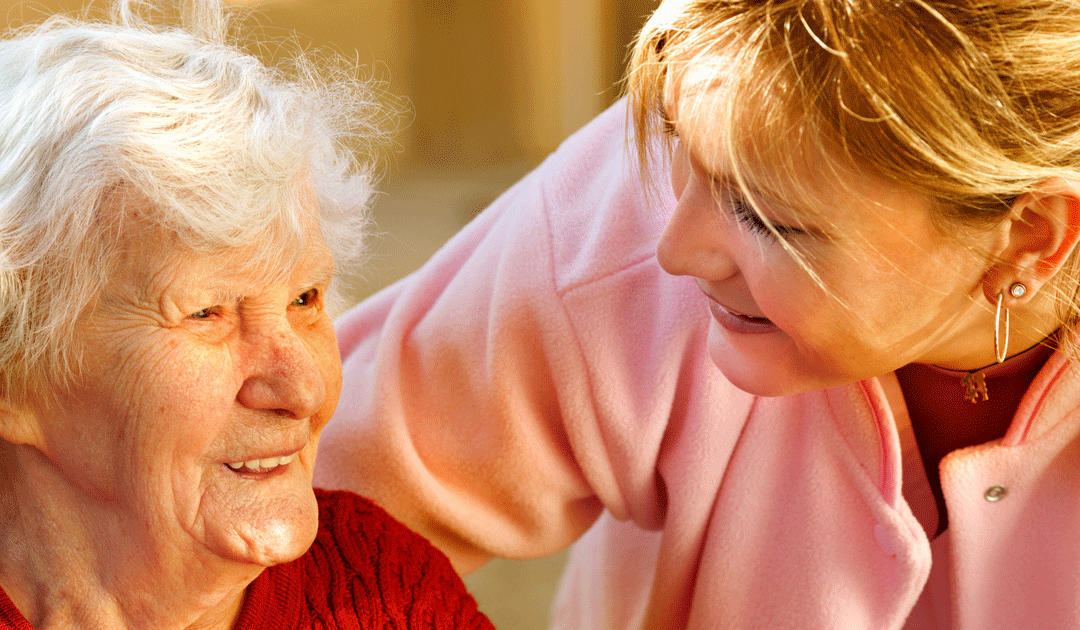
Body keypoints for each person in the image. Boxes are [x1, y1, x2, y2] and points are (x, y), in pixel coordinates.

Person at [315, 0, 1080, 628]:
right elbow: (301, 528)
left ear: (1032, 236)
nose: (675, 251)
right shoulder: (613, 220)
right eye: (680, 142)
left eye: (768, 219)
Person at [0, 2, 494, 628]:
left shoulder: (385, 593)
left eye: (305, 300)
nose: (302, 387)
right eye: (207, 313)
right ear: (14, 371)